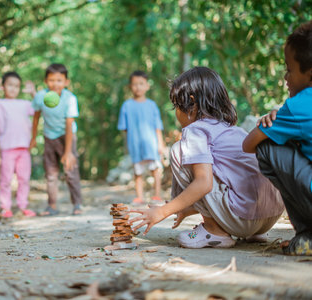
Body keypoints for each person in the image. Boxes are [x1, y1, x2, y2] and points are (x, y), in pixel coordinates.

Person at [129, 67, 284, 248]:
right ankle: (256, 233)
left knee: (179, 150)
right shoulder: (233, 130)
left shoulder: (195, 131)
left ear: (191, 104)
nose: (176, 113)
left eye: (177, 106)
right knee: (210, 168)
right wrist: (185, 208)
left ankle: (214, 232)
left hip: (243, 220)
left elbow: (204, 183)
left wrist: (162, 212)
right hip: (270, 215)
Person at [243, 21, 312, 255]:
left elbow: (249, 144)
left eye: (289, 69)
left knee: (267, 146)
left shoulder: (299, 105)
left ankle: (306, 234)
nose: (285, 76)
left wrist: (270, 121)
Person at [27, 63, 82, 216]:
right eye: (51, 80)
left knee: (70, 171)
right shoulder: (40, 96)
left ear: (66, 82)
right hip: (49, 136)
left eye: (59, 80)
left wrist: (68, 152)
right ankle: (51, 206)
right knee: (51, 173)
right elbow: (36, 118)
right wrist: (33, 138)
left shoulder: (70, 98)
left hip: (67, 136)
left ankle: (77, 204)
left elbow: (69, 125)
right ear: (46, 81)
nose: (55, 84)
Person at [0, 72, 36, 218]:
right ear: (3, 86)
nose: (13, 89)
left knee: (24, 179)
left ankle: (23, 206)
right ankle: (6, 207)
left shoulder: (25, 104)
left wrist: (33, 92)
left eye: (17, 86)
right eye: (10, 85)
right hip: (7, 148)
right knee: (6, 179)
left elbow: (38, 107)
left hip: (24, 148)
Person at [118, 70, 167, 204]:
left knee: (155, 170)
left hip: (151, 144)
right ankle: (139, 196)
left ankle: (157, 194)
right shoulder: (126, 106)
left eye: (141, 84)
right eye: (135, 84)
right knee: (138, 172)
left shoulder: (152, 105)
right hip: (135, 145)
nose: (138, 87)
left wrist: (160, 144)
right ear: (130, 86)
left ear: (147, 86)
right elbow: (125, 128)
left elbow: (158, 127)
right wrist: (129, 144)